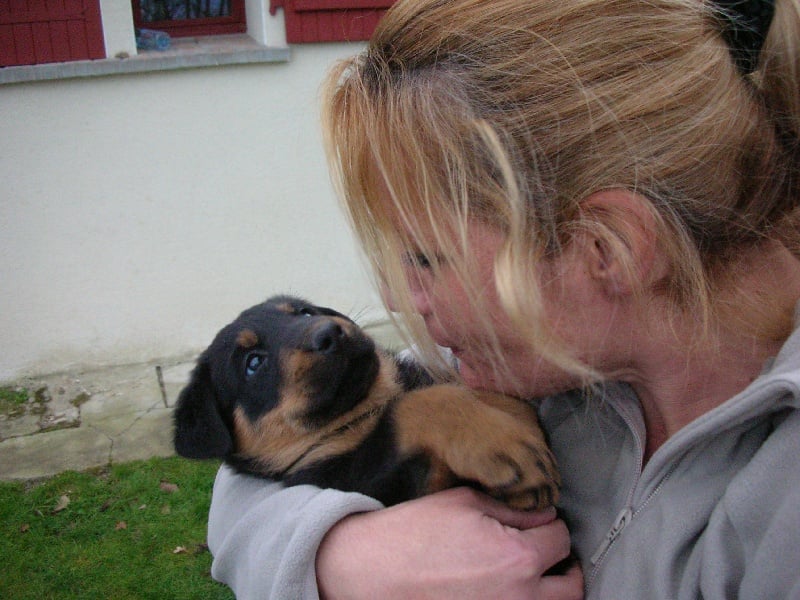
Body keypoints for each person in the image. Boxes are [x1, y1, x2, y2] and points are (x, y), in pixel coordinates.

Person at [206, 0, 800, 597]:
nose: (394, 297)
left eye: (424, 258)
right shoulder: (559, 358)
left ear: (606, 248)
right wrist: (337, 557)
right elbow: (247, 477)